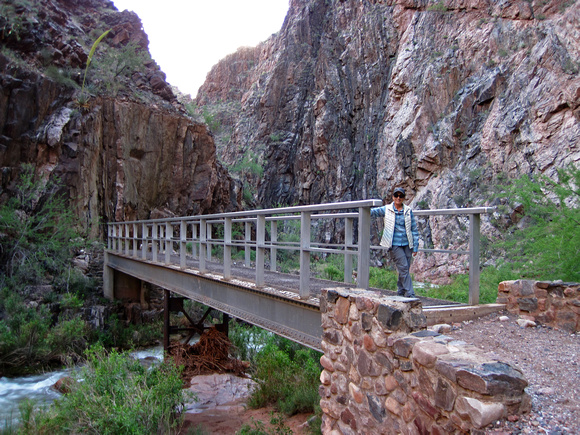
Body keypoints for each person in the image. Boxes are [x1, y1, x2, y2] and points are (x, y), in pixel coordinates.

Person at [371, 187, 419, 297]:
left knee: (405, 268)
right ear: (393, 197)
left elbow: (414, 229)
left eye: (401, 196)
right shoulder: (387, 209)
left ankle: (401, 291)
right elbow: (373, 212)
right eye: (396, 195)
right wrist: (360, 209)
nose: (398, 198)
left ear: (403, 198)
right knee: (403, 267)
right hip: (394, 244)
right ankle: (410, 294)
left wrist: (415, 246)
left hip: (408, 243)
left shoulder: (408, 211)